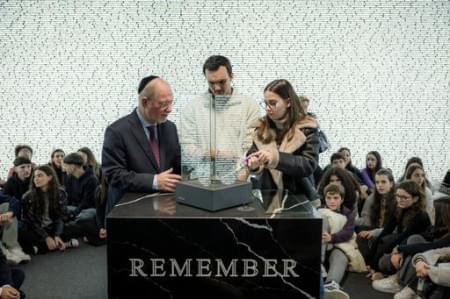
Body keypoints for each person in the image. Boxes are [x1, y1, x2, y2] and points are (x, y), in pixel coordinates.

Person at [102, 76, 182, 217]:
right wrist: (154, 181)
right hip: (129, 214)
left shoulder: (170, 128)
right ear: (145, 102)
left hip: (164, 211)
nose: (170, 109)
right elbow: (113, 175)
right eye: (163, 104)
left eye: (171, 103)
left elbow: (177, 165)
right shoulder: (117, 131)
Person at [180, 55, 260, 181]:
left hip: (238, 180)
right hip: (201, 181)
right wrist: (215, 154)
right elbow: (186, 149)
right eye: (211, 83)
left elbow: (251, 148)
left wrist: (243, 171)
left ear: (232, 76)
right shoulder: (193, 108)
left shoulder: (249, 106)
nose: (217, 88)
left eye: (222, 82)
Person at [241, 79, 319, 200]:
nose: (267, 108)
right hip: (268, 196)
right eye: (265, 103)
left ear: (288, 102)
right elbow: (252, 153)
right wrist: (254, 163)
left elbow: (308, 164)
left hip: (299, 198)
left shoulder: (307, 127)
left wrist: (275, 158)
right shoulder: (260, 127)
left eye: (273, 103)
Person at [367, 180, 431, 278]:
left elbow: (402, 238)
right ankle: (378, 269)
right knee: (379, 240)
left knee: (384, 260)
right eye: (398, 196)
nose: (400, 200)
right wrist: (369, 262)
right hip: (399, 244)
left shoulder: (421, 216)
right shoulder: (399, 209)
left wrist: (375, 264)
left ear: (415, 199)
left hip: (412, 249)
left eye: (404, 197)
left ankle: (389, 274)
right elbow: (385, 232)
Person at [319, 183, 364, 299]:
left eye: (335, 198)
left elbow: (348, 233)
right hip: (321, 247)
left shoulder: (348, 213)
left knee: (341, 258)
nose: (332, 201)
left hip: (338, 245)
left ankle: (331, 285)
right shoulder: (320, 211)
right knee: (322, 219)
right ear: (324, 198)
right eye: (328, 198)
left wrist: (332, 238)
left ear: (342, 199)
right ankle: (319, 263)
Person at [20, 165, 78, 254]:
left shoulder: (60, 193)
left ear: (50, 177)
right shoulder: (27, 197)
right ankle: (64, 244)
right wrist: (46, 237)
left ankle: (41, 248)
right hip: (37, 229)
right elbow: (31, 221)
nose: (36, 179)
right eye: (35, 176)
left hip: (54, 227)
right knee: (22, 233)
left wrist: (56, 235)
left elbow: (61, 216)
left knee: (75, 226)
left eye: (40, 175)